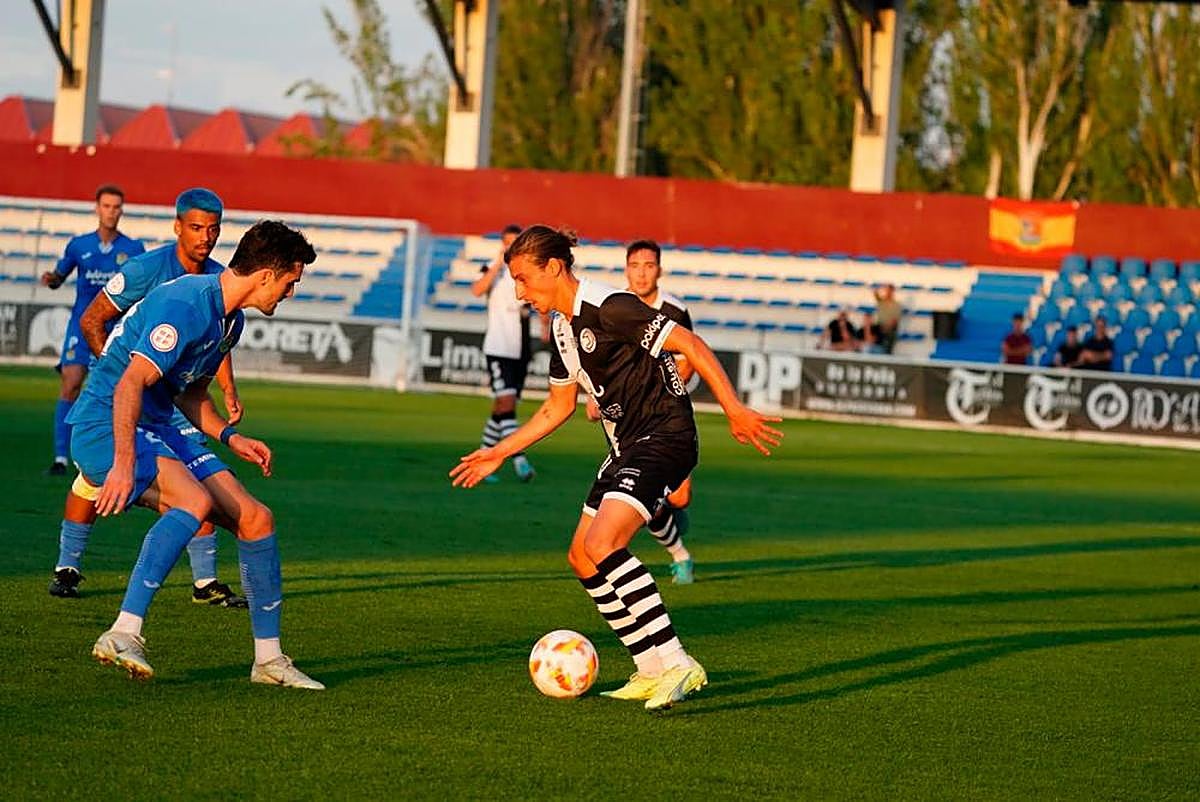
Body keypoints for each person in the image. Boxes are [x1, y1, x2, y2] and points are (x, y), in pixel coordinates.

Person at [451, 226, 783, 711]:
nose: (520, 292)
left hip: (665, 436)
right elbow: (558, 406)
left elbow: (691, 344)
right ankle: (649, 669)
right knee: (582, 557)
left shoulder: (610, 306)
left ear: (553, 268)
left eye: (523, 279)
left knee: (604, 543)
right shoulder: (562, 327)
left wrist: (733, 409)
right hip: (627, 445)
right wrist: (501, 450)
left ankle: (678, 661)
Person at [76, 219, 322, 688]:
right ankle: (123, 632)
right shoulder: (186, 303)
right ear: (266, 275)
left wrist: (230, 437)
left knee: (256, 519)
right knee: (193, 501)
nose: (290, 292)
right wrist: (123, 464)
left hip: (159, 426)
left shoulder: (231, 320)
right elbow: (129, 384)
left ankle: (269, 661)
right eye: (290, 282)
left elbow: (190, 396)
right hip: (105, 423)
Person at [47, 188, 245, 607]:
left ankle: (205, 581)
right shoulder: (145, 269)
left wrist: (227, 386)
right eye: (196, 228)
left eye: (213, 229)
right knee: (94, 477)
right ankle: (68, 566)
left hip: (174, 401)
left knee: (195, 474)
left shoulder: (218, 280)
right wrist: (121, 374)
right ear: (177, 227)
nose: (205, 237)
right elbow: (93, 319)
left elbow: (215, 341)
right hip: (130, 392)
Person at [585, 239, 696, 584]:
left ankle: (666, 519)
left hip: (667, 416)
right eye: (635, 266)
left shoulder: (674, 310)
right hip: (627, 422)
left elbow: (688, 358)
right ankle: (680, 555)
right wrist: (595, 396)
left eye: (649, 266)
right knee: (645, 494)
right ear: (626, 269)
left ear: (659, 270)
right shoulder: (614, 307)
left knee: (679, 498)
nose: (642, 273)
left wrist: (653, 388)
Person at [40, 185, 145, 476]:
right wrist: (51, 279)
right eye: (106, 206)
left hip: (116, 331)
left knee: (118, 391)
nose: (111, 212)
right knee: (71, 383)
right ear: (97, 208)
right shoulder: (79, 245)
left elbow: (142, 287)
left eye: (116, 207)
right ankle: (60, 458)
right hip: (81, 326)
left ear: (121, 210)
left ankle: (115, 456)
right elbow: (59, 276)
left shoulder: (133, 249)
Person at [471, 224, 536, 483]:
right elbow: (477, 290)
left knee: (503, 406)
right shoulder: (492, 267)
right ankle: (519, 460)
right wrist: (499, 263)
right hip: (498, 347)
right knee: (506, 403)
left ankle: (484, 458)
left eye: (515, 242)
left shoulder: (525, 272)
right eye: (507, 242)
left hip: (519, 348)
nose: (511, 246)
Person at [873, 283, 902, 354]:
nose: (887, 292)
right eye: (886, 291)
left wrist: (886, 328)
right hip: (879, 328)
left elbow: (894, 321)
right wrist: (882, 287)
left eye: (889, 291)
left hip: (889, 330)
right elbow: (875, 293)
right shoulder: (881, 301)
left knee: (889, 337)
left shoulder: (896, 305)